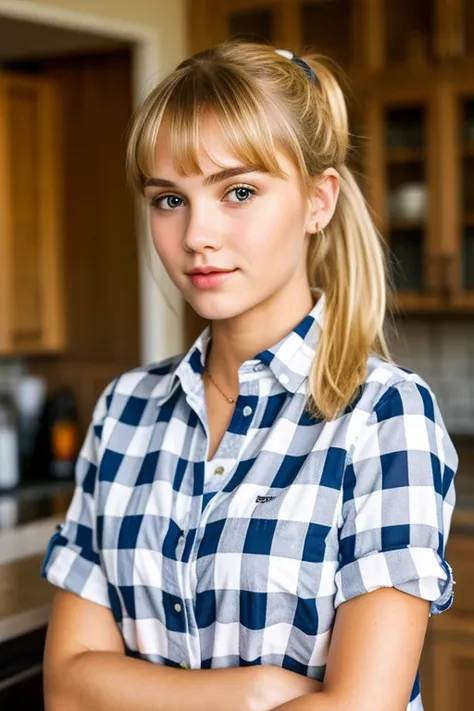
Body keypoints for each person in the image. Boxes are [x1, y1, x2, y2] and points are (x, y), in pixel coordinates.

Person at [41, 41, 457, 711]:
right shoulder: (125, 410)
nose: (199, 234)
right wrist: (254, 693)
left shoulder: (385, 416)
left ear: (318, 201)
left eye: (238, 191)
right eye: (169, 199)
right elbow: (66, 686)